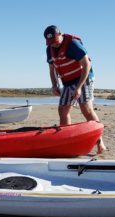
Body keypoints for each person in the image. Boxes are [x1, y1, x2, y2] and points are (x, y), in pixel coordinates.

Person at [44, 25, 106, 154]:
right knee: (63, 110)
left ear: (60, 35)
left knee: (86, 109)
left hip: (83, 78)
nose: (53, 45)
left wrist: (78, 87)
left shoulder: (73, 44)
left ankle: (100, 143)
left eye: (55, 41)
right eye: (50, 43)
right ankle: (66, 141)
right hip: (68, 81)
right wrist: (54, 85)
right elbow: (52, 69)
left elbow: (86, 64)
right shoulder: (50, 49)